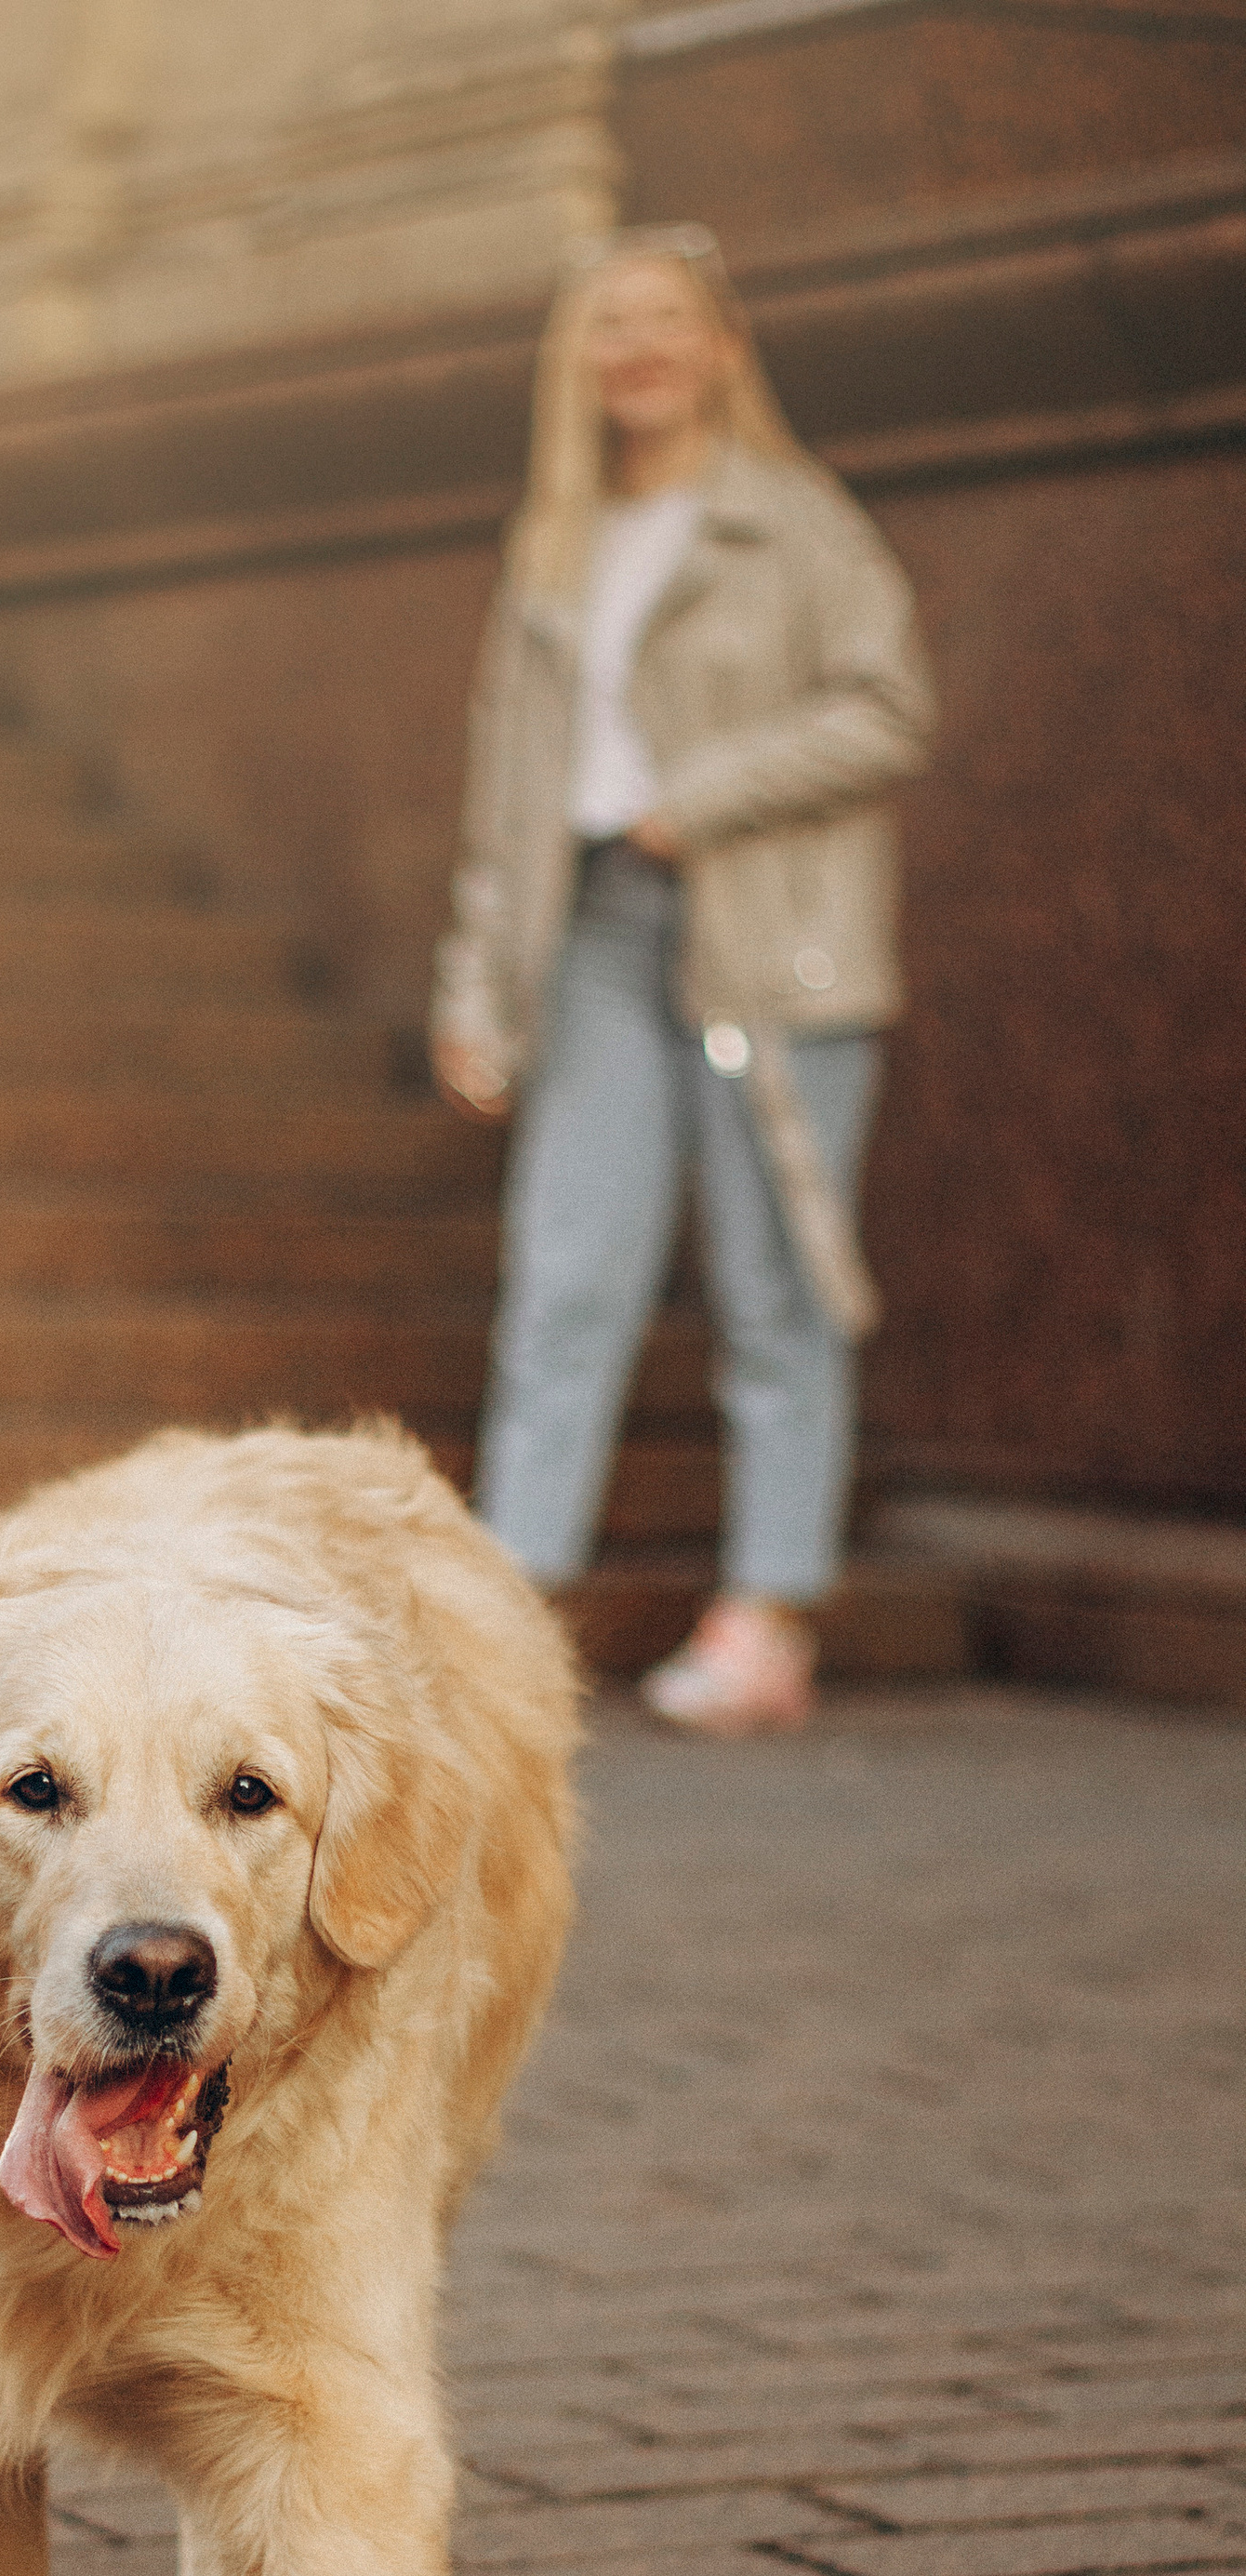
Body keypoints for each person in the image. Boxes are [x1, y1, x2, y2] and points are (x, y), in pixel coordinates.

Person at [432, 226, 935, 1734]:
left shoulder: (794, 522)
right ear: (576, 360)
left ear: (722, 345)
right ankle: (509, 1622)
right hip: (587, 931)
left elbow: (890, 708)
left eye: (664, 320)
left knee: (779, 1285)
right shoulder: (553, 544)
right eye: (610, 323)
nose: (637, 348)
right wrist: (476, 987)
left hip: (765, 945)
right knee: (566, 1276)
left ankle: (770, 1614)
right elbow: (506, 792)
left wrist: (700, 798)